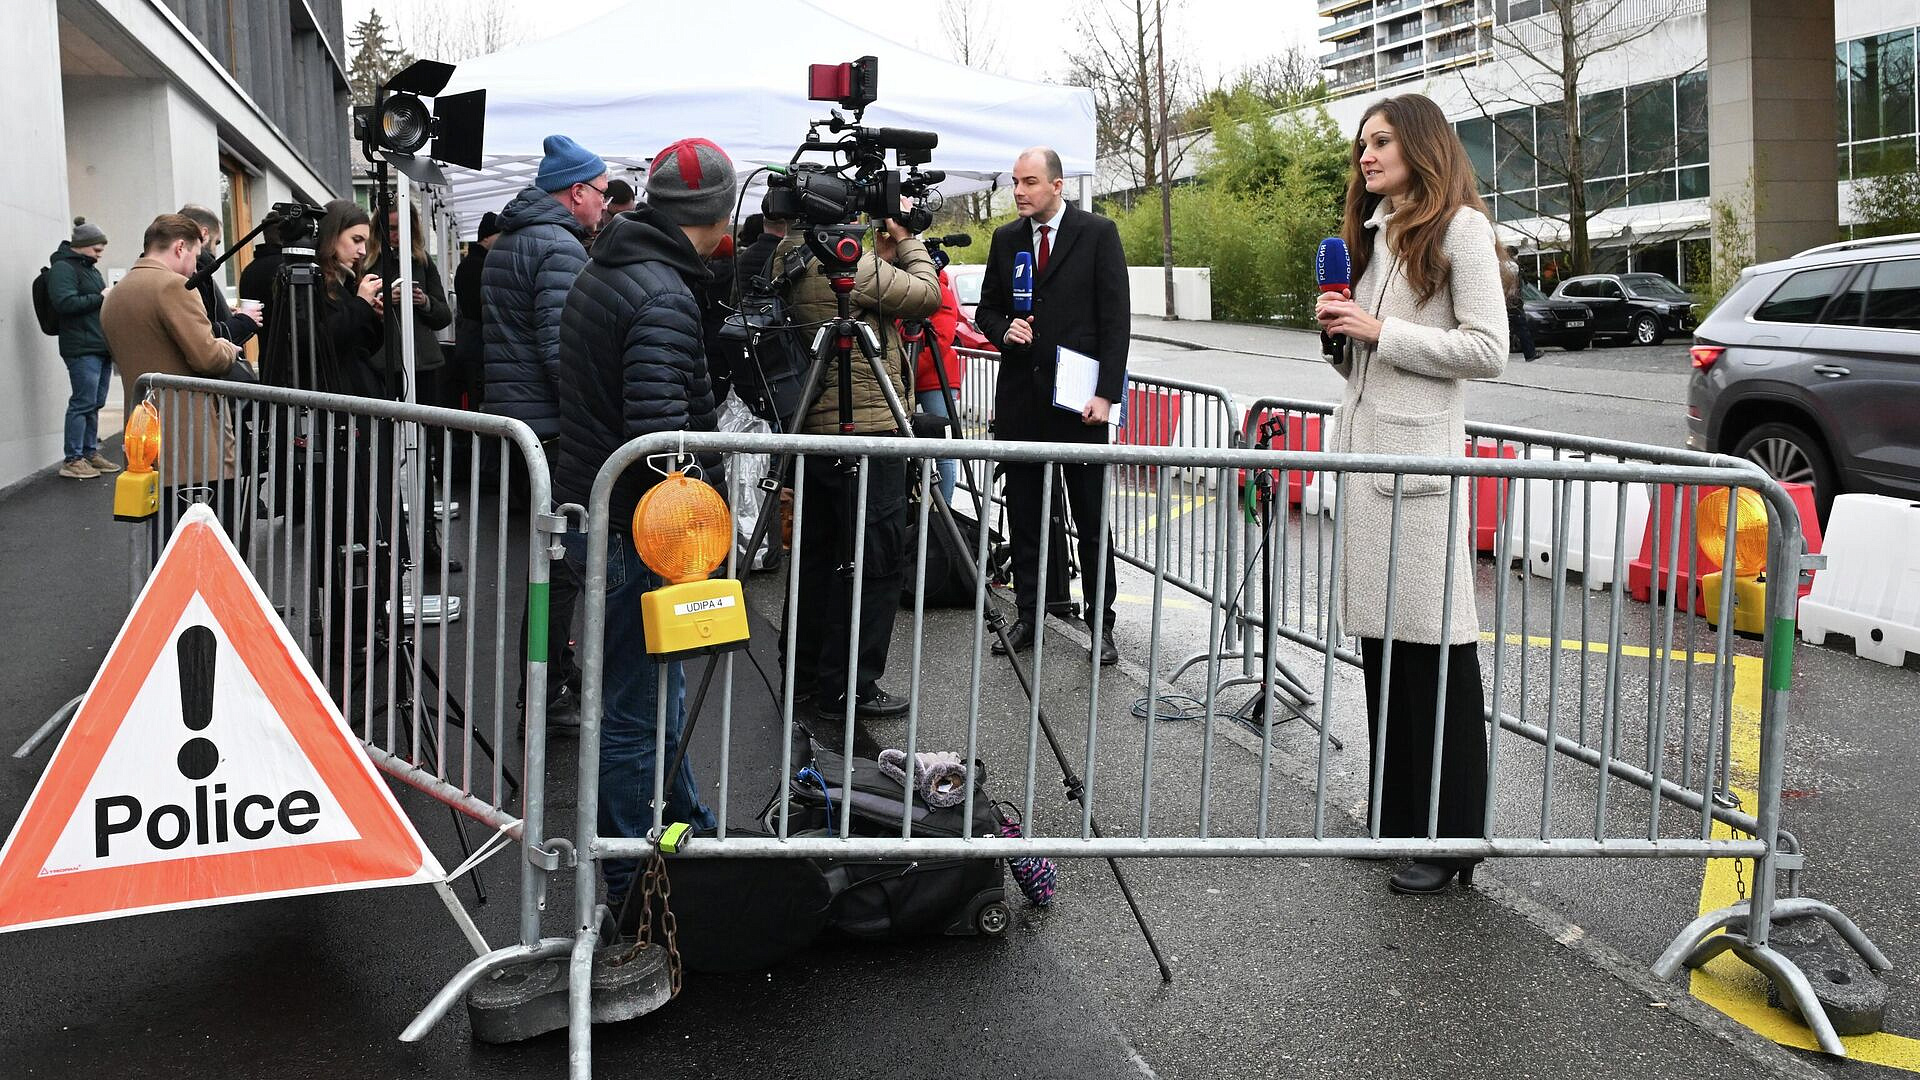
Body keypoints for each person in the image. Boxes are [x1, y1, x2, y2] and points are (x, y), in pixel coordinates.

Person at [1313, 93, 1509, 896]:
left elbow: (1488, 348)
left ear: (1420, 146)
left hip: (1420, 478)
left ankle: (1453, 836)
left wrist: (1378, 331)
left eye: (1382, 141)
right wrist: (1341, 335)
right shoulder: (1377, 234)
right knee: (1384, 653)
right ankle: (1396, 820)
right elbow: (1368, 361)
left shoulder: (1461, 228)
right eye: (1362, 143)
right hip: (1368, 469)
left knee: (1436, 655)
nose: (1366, 155)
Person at [555, 137, 735, 908]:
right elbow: (662, 444)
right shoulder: (661, 292)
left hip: (605, 515)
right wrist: (702, 537)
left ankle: (688, 829)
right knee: (634, 707)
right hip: (637, 530)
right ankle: (631, 881)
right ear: (718, 215)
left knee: (657, 693)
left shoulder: (614, 262)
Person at [772, 190, 941, 721]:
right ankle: (851, 685)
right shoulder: (840, 260)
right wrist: (908, 240)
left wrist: (880, 255)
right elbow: (926, 295)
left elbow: (870, 292)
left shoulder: (791, 252)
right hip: (868, 431)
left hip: (816, 433)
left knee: (818, 559)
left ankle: (804, 676)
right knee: (876, 560)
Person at [973, 146, 1130, 666]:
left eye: (1030, 182)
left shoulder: (1097, 233)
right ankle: (1029, 615)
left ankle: (1101, 624)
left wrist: (1106, 394)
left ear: (1057, 186)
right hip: (1022, 401)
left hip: (1080, 405)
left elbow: (1116, 320)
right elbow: (987, 309)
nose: (1019, 191)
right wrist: (1004, 330)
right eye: (1015, 182)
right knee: (1025, 515)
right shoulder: (1006, 239)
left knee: (1090, 518)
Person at [482, 133, 608, 731]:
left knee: (549, 564)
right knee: (560, 568)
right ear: (576, 192)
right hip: (553, 429)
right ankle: (546, 690)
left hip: (524, 423)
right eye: (601, 191)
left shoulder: (514, 238)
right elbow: (564, 353)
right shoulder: (557, 247)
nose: (606, 202)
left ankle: (550, 672)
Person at [99, 214, 243, 525]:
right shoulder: (174, 286)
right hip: (194, 449)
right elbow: (208, 357)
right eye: (195, 255)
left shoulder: (116, 294)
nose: (195, 267)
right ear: (180, 247)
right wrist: (228, 348)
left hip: (145, 442)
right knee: (210, 541)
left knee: (163, 541)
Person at [46, 217, 119, 479]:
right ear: (82, 245)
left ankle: (89, 452)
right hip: (81, 348)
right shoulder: (63, 268)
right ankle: (73, 459)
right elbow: (64, 303)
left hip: (98, 346)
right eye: (96, 249)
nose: (100, 255)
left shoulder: (89, 269)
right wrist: (100, 297)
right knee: (82, 403)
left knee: (94, 403)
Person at [179, 204, 261, 348]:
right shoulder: (190, 276)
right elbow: (203, 336)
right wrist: (243, 321)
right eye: (216, 243)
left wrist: (225, 313)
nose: (215, 253)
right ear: (204, 234)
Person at [450, 211, 501, 410]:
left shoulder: (471, 264)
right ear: (486, 237)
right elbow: (479, 307)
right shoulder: (477, 266)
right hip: (476, 345)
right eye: (499, 235)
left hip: (472, 343)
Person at [1504, 246, 1538, 362]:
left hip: (1506, 302)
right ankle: (1530, 354)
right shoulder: (1512, 266)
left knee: (1508, 328)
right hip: (1513, 302)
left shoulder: (1501, 265)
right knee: (1522, 328)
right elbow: (1514, 286)